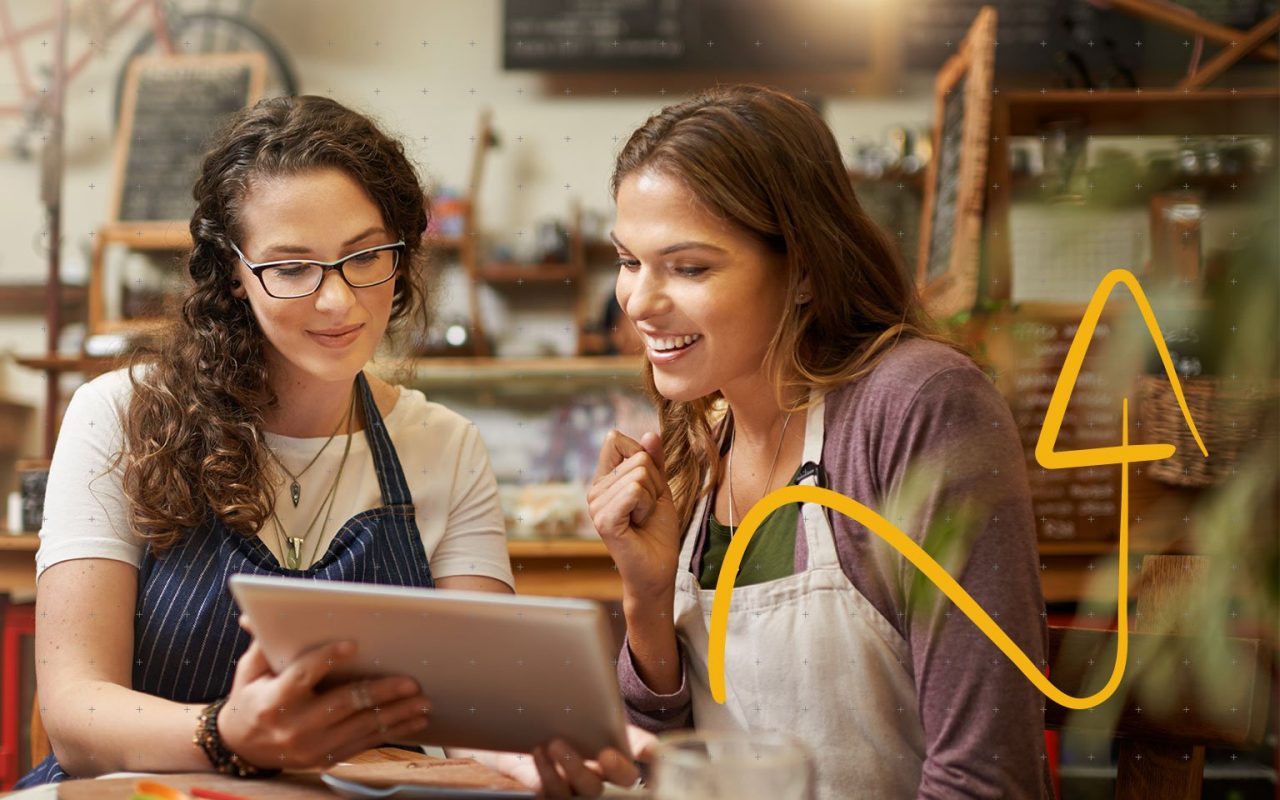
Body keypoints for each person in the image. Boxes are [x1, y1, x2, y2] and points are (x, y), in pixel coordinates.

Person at [21, 95, 637, 798]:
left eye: (365, 256)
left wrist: (530, 750)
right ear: (233, 271)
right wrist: (224, 734)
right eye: (291, 267)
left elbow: (480, 711)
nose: (338, 302)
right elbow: (74, 713)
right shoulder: (121, 416)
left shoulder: (445, 447)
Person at [588, 85, 1053, 799]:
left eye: (689, 267)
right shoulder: (700, 442)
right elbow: (661, 765)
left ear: (805, 270)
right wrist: (645, 600)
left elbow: (986, 776)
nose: (640, 303)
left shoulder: (921, 407)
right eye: (629, 261)